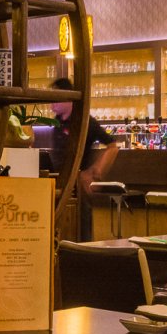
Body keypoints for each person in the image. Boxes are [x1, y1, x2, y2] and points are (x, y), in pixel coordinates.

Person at [50, 77, 117, 238]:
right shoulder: (57, 121)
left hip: (78, 186)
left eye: (55, 98)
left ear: (69, 97)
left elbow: (113, 146)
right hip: (59, 183)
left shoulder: (86, 122)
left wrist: (95, 171)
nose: (51, 104)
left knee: (82, 228)